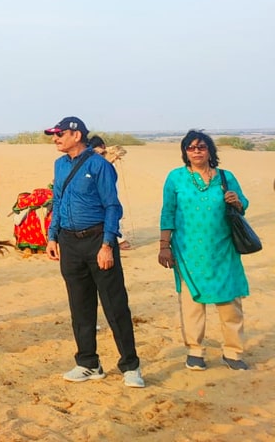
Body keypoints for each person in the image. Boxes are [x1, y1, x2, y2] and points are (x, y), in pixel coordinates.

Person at [43, 116, 143, 388]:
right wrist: (53, 237)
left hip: (98, 240)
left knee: (115, 304)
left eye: (59, 133)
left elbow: (112, 206)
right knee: (80, 306)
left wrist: (108, 244)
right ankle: (88, 363)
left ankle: (130, 365)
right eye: (54, 134)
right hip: (69, 243)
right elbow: (58, 200)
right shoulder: (60, 165)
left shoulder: (100, 165)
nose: (56, 138)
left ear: (76, 135)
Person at [158, 130, 252, 371]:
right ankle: (195, 350)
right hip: (187, 251)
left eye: (201, 147)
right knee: (192, 304)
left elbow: (243, 205)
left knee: (230, 304)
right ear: (185, 153)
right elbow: (168, 212)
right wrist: (164, 246)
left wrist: (236, 201)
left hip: (223, 250)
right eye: (191, 148)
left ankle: (232, 351)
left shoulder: (225, 177)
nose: (196, 151)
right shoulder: (176, 178)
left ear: (210, 150)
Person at [88, 136, 131, 250]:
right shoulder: (91, 160)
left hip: (108, 189)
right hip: (96, 190)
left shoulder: (107, 159)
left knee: (112, 209)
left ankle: (118, 238)